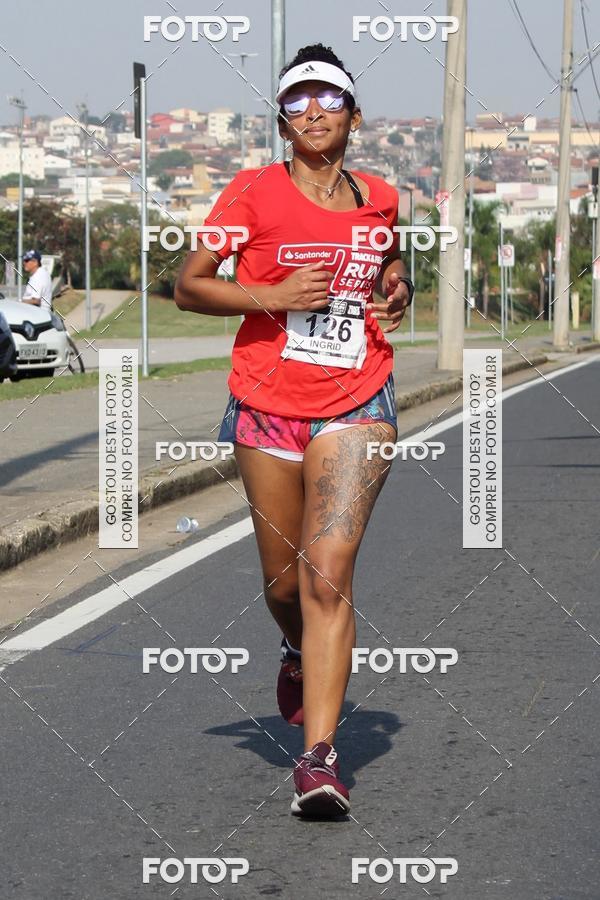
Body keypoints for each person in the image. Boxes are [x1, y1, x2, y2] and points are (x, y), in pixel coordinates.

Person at [175, 43, 413, 818]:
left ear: (354, 114)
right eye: (297, 100)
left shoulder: (383, 197)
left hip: (358, 398)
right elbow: (189, 286)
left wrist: (398, 288)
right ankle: (295, 648)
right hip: (267, 403)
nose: (313, 111)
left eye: (328, 97)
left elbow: (387, 261)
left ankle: (319, 759)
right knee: (284, 583)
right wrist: (271, 295)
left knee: (326, 574)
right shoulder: (252, 192)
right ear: (282, 120)